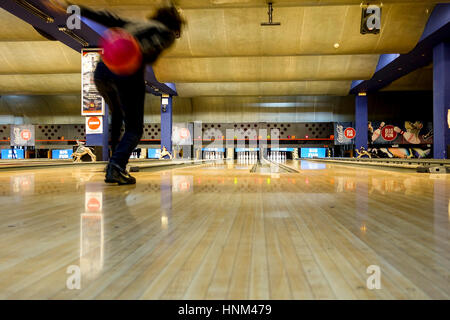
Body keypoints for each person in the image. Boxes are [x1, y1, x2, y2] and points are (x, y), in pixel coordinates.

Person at [56, 1, 185, 184]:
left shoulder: (137, 24)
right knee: (134, 129)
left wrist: (71, 8)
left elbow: (107, 18)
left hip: (102, 70)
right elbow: (144, 51)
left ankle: (113, 165)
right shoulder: (166, 35)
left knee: (116, 115)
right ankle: (116, 166)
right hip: (127, 74)